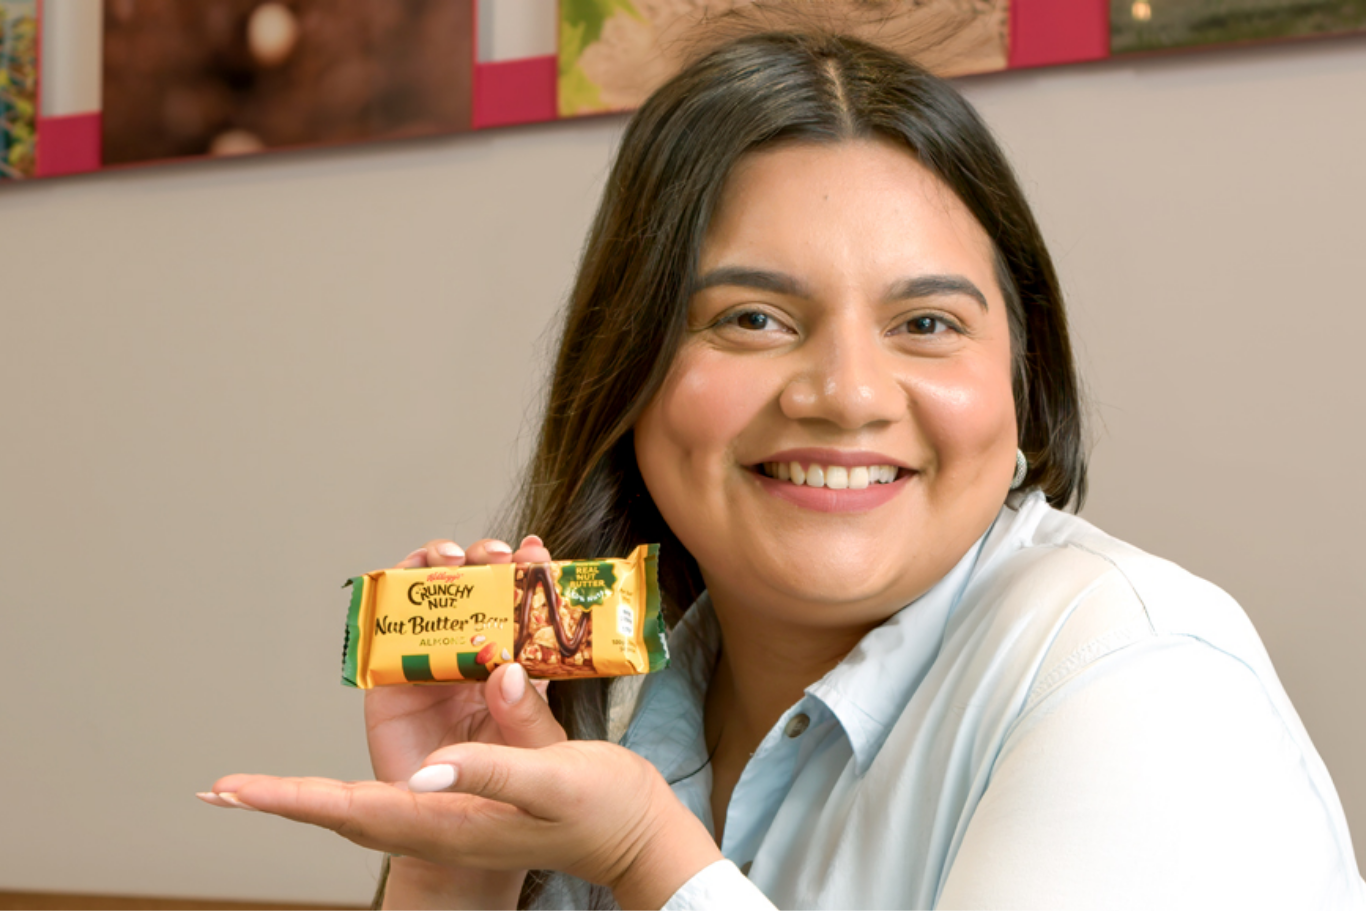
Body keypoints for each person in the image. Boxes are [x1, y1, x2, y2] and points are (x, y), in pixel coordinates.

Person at [200, 29, 1366, 911]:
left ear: (1023, 381)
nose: (847, 393)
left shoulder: (1145, 682)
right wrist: (452, 865)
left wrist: (646, 858)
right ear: (632, 367)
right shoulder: (611, 707)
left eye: (926, 325)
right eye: (754, 318)